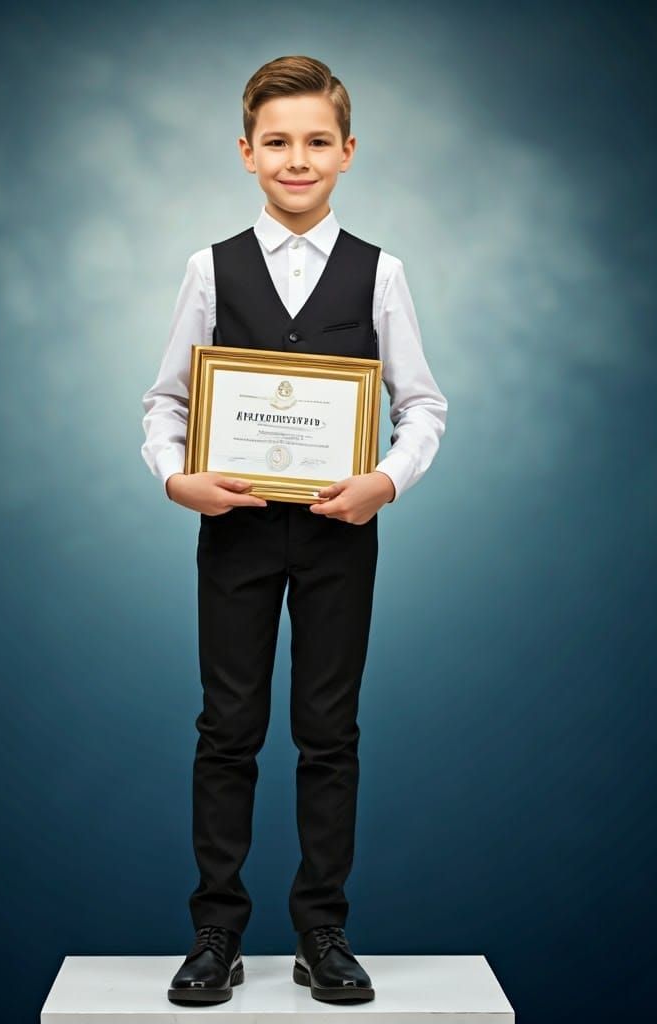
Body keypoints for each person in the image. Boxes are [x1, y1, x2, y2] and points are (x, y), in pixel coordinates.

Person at [141, 55, 447, 1006]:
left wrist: (384, 482)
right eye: (277, 142)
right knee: (227, 728)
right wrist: (176, 479)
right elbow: (165, 401)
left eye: (318, 141)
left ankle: (323, 930)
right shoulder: (212, 267)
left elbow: (423, 406)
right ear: (247, 153)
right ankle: (216, 932)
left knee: (328, 732)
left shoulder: (380, 272)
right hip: (234, 532)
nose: (298, 159)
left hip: (338, 534)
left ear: (348, 152)